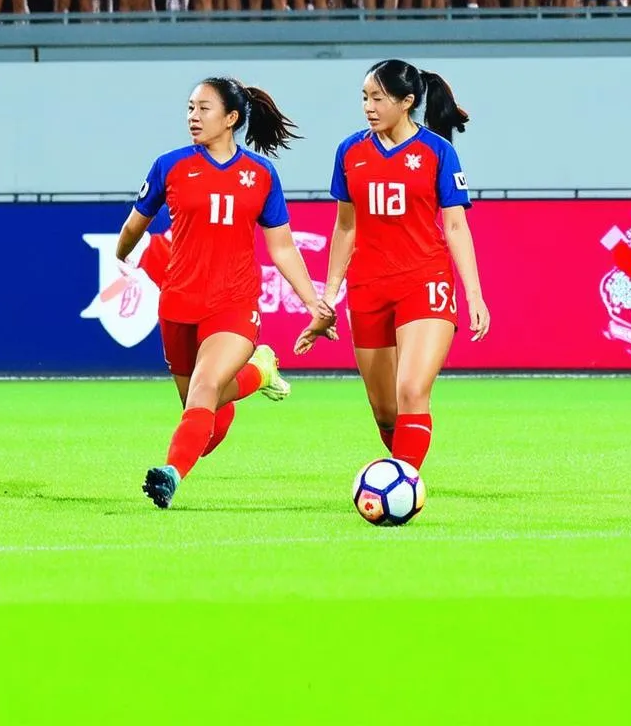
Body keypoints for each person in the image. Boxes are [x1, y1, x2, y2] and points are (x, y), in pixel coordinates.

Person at [115, 77, 336, 508]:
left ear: (231, 118)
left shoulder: (261, 174)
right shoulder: (170, 165)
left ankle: (169, 475)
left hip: (233, 305)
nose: (193, 117)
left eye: (204, 109)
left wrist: (313, 302)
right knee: (207, 430)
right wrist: (122, 252)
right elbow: (134, 224)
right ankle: (259, 373)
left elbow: (283, 246)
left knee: (204, 388)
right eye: (190, 108)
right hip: (178, 303)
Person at [297, 60, 490, 471]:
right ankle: (402, 469)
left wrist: (473, 293)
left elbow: (455, 226)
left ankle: (404, 482)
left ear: (406, 102)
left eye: (378, 98)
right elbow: (345, 227)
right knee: (385, 412)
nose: (368, 106)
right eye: (365, 97)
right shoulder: (350, 151)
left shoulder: (438, 152)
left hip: (425, 281)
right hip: (369, 288)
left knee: (411, 389)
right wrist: (328, 296)